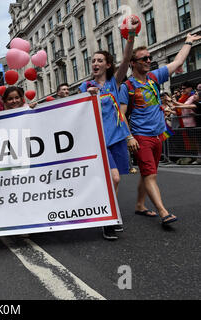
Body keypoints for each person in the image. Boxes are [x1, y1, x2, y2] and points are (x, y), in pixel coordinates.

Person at [119, 32, 201, 226]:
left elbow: (179, 59)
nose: (149, 60)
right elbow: (121, 114)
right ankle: (163, 211)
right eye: (144, 58)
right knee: (151, 174)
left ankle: (140, 205)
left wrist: (188, 41)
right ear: (133, 63)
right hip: (141, 136)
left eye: (149, 57)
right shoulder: (127, 86)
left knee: (149, 172)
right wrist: (129, 137)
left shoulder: (155, 77)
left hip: (159, 134)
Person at [79, 19, 138, 240]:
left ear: (107, 65)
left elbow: (125, 59)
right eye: (93, 60)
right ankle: (109, 218)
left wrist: (130, 35)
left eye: (100, 60)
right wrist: (87, 97)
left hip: (116, 139)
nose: (95, 63)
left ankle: (110, 214)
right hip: (97, 141)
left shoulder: (114, 83)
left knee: (114, 179)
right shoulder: (84, 87)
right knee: (113, 179)